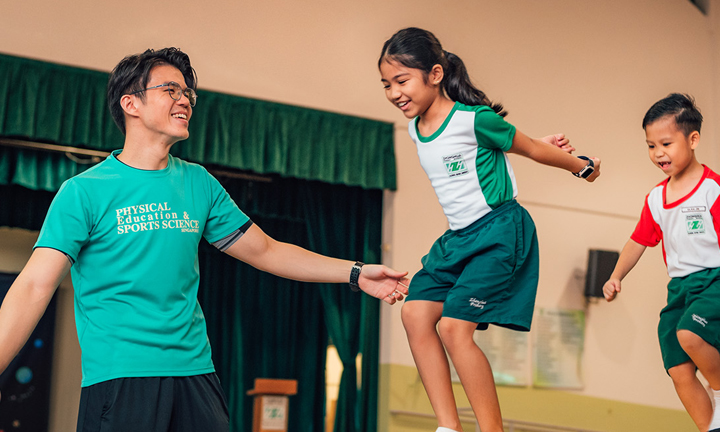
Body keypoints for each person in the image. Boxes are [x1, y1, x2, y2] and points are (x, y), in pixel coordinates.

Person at [0, 47, 410, 431]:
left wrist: (355, 273)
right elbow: (36, 284)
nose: (185, 100)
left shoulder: (198, 184)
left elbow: (267, 250)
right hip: (122, 377)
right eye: (170, 89)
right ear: (131, 103)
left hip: (196, 375)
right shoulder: (84, 192)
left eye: (189, 93)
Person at [378, 27, 601, 432]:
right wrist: (521, 141)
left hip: (499, 231)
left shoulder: (473, 119)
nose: (394, 92)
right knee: (414, 314)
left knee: (453, 328)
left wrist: (581, 166)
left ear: (434, 74)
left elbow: (530, 148)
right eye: (386, 84)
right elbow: (499, 149)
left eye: (402, 80)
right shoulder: (414, 129)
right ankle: (449, 425)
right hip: (457, 239)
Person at [603, 93, 720, 432]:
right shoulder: (656, 198)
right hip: (680, 288)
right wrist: (616, 275)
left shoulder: (712, 190)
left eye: (666, 143)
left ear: (693, 139)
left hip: (713, 282)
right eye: (651, 146)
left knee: (690, 334)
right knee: (677, 365)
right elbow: (639, 240)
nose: (658, 154)